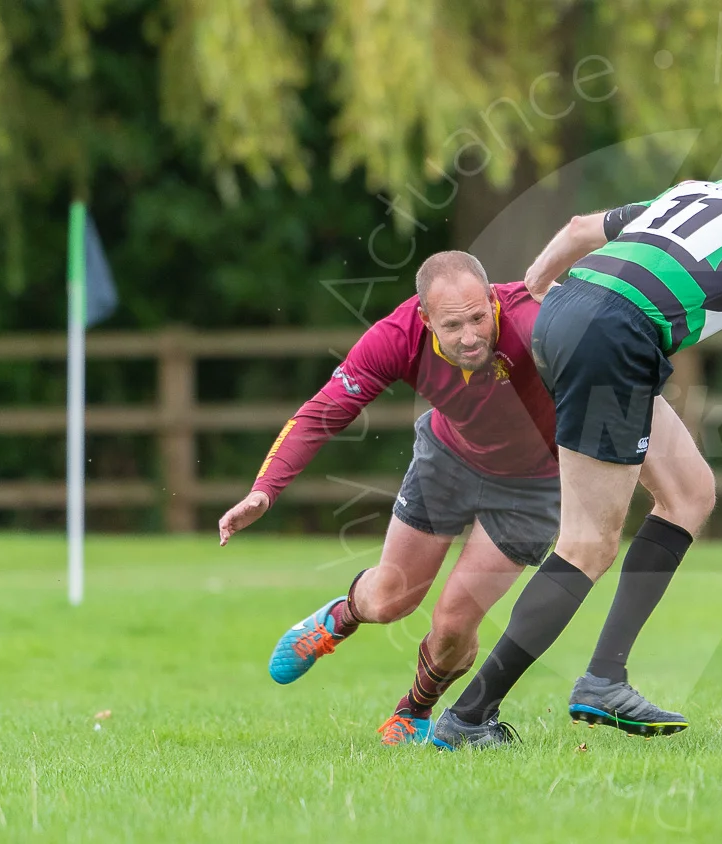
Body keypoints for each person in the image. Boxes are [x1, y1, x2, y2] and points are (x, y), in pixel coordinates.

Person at [430, 148, 722, 748]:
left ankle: (605, 677)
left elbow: (577, 231)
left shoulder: (699, 189)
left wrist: (536, 289)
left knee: (688, 493)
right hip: (617, 333)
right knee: (587, 544)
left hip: (572, 310)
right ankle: (470, 717)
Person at [217, 251, 558, 747]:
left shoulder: (536, 318)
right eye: (453, 325)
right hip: (450, 460)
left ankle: (412, 711)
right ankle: (343, 616)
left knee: (453, 625)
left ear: (492, 300)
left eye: (479, 318)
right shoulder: (397, 337)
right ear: (425, 319)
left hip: (533, 485)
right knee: (390, 600)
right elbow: (322, 412)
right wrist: (265, 490)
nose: (470, 337)